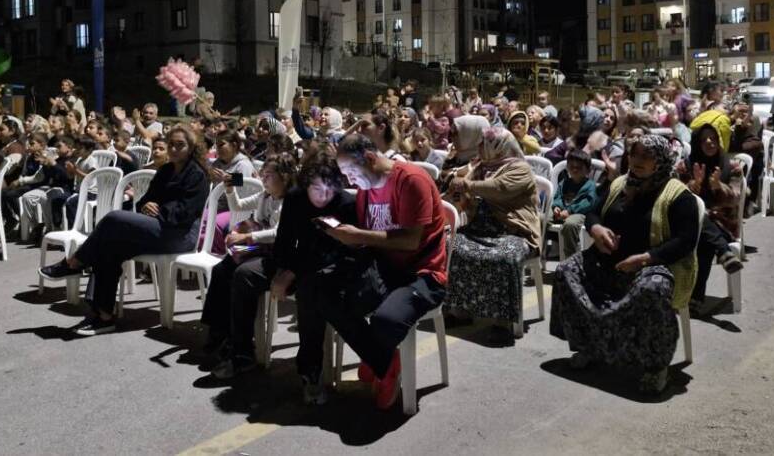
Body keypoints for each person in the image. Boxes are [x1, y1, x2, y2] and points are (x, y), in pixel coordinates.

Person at [295, 133, 447, 409]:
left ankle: (377, 358)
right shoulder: (366, 190)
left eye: (352, 171)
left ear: (369, 158)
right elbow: (370, 238)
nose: (351, 180)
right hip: (383, 265)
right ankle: (383, 360)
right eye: (345, 174)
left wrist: (358, 236)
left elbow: (410, 240)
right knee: (316, 289)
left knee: (385, 320)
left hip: (422, 272)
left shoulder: (411, 180)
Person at [550, 134, 699, 395]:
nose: (638, 161)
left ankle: (655, 366)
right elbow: (594, 210)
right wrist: (595, 227)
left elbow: (686, 240)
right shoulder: (619, 183)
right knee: (566, 271)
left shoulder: (677, 195)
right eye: (635, 155)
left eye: (646, 156)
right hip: (609, 262)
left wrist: (645, 258)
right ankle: (589, 345)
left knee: (652, 290)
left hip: (654, 266)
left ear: (660, 162)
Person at [39, 125, 210, 336]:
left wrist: (158, 211)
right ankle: (103, 315)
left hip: (179, 235)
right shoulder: (165, 170)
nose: (174, 149)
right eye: (171, 144)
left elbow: (185, 212)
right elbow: (147, 198)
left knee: (113, 218)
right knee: (109, 248)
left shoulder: (197, 175)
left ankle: (73, 262)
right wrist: (147, 205)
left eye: (180, 145)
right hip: (157, 227)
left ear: (192, 148)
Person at [202, 153, 298, 378]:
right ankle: (219, 331)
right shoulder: (266, 196)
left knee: (243, 274)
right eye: (262, 175)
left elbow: (279, 233)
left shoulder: (291, 200)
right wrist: (229, 187)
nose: (264, 179)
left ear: (284, 177)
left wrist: (246, 239)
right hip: (260, 248)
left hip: (280, 255)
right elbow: (238, 205)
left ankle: (242, 352)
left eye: (269, 175)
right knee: (223, 267)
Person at [445, 127, 539, 336]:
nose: (479, 147)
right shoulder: (482, 167)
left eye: (483, 143)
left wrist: (467, 184)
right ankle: (459, 310)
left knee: (504, 257)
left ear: (498, 146)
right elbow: (468, 194)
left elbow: (498, 188)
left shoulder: (520, 168)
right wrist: (459, 194)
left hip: (513, 231)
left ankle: (503, 321)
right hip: (480, 228)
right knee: (450, 246)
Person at [683, 111, 744, 311]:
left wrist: (719, 187)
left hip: (722, 223)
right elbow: (675, 193)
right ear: (697, 143)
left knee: (704, 240)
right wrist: (694, 185)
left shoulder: (732, 166)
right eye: (704, 140)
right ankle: (724, 252)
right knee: (700, 220)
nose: (709, 143)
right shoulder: (687, 165)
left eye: (713, 138)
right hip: (689, 223)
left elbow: (736, 197)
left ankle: (696, 296)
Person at [552, 149, 598, 259]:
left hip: (580, 213)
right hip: (562, 211)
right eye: (571, 166)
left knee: (570, 225)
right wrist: (556, 207)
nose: (575, 169)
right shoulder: (565, 182)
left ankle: (571, 257)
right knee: (541, 218)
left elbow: (588, 203)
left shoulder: (590, 185)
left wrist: (570, 211)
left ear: (588, 170)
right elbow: (558, 196)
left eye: (579, 167)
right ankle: (539, 250)